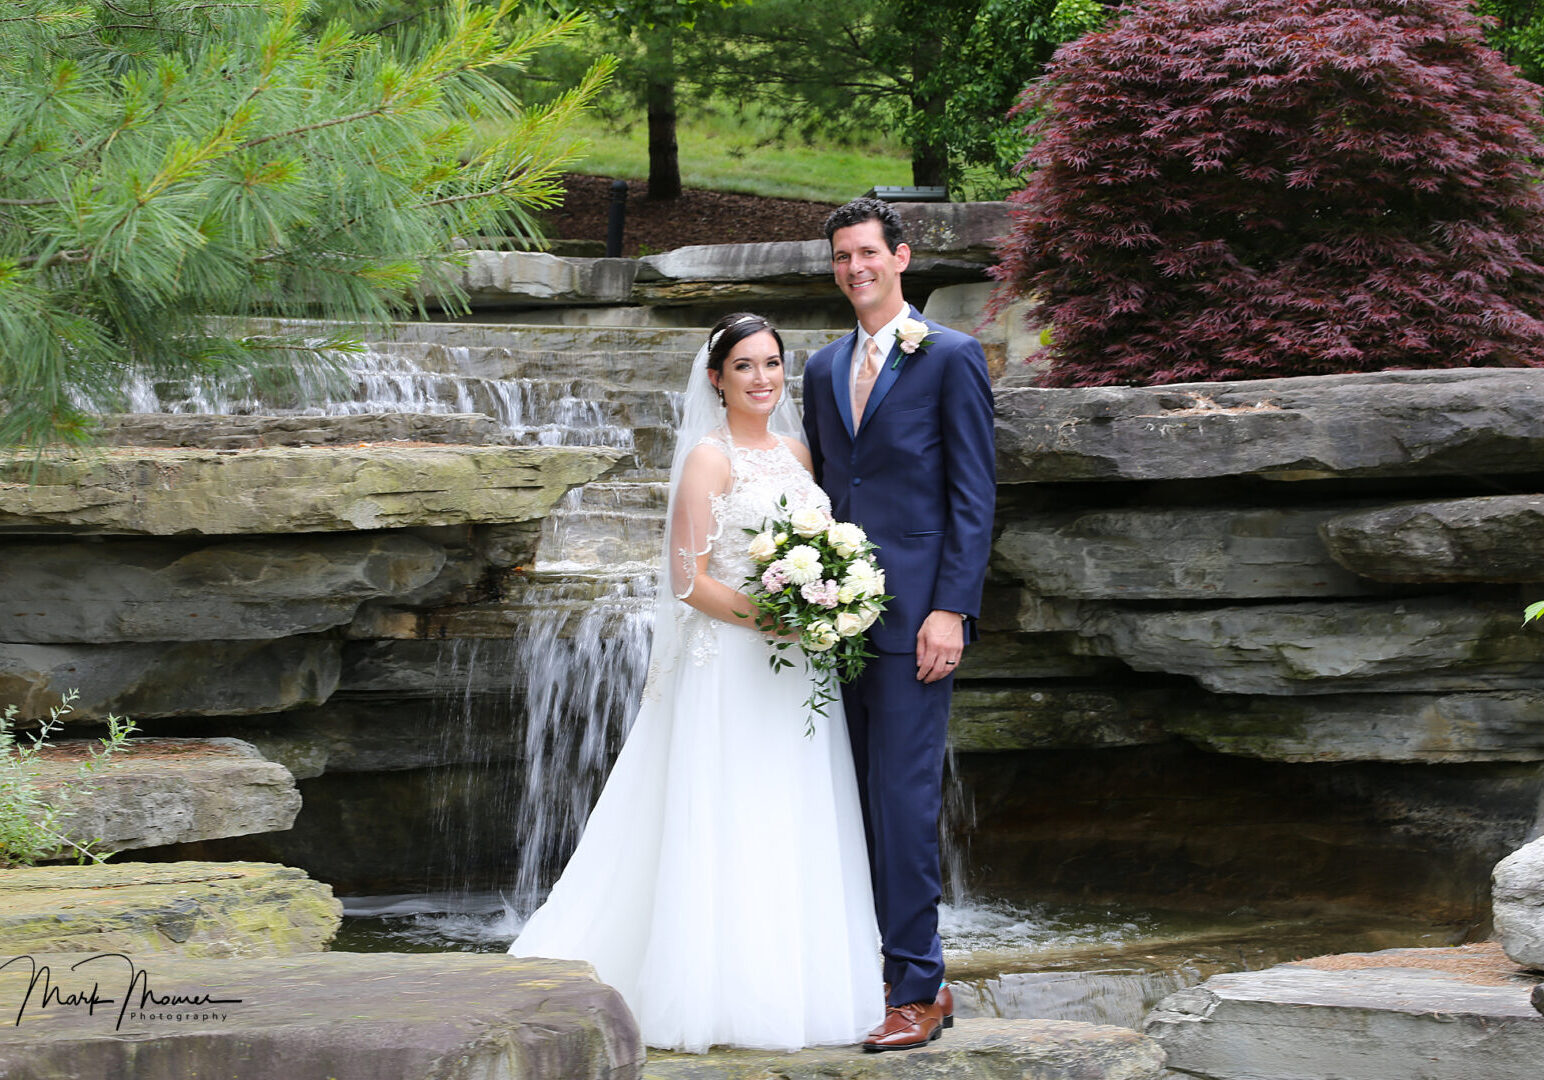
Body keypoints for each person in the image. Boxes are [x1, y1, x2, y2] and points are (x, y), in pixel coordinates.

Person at [509, 312, 884, 1053]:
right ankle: (714, 989)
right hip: (734, 663)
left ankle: (798, 984)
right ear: (717, 379)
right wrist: (774, 620)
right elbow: (688, 581)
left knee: (792, 806)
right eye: (744, 366)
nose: (762, 379)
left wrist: (829, 604)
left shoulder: (799, 454)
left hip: (796, 666)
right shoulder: (709, 461)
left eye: (772, 364)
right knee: (732, 807)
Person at [801, 198, 996, 1052]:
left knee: (905, 805)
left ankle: (918, 987)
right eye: (843, 257)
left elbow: (973, 496)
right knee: (851, 807)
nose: (855, 269)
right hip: (830, 627)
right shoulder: (817, 368)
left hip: (918, 622)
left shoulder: (950, 357)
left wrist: (951, 607)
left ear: (901, 258)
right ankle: (874, 974)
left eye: (868, 253)